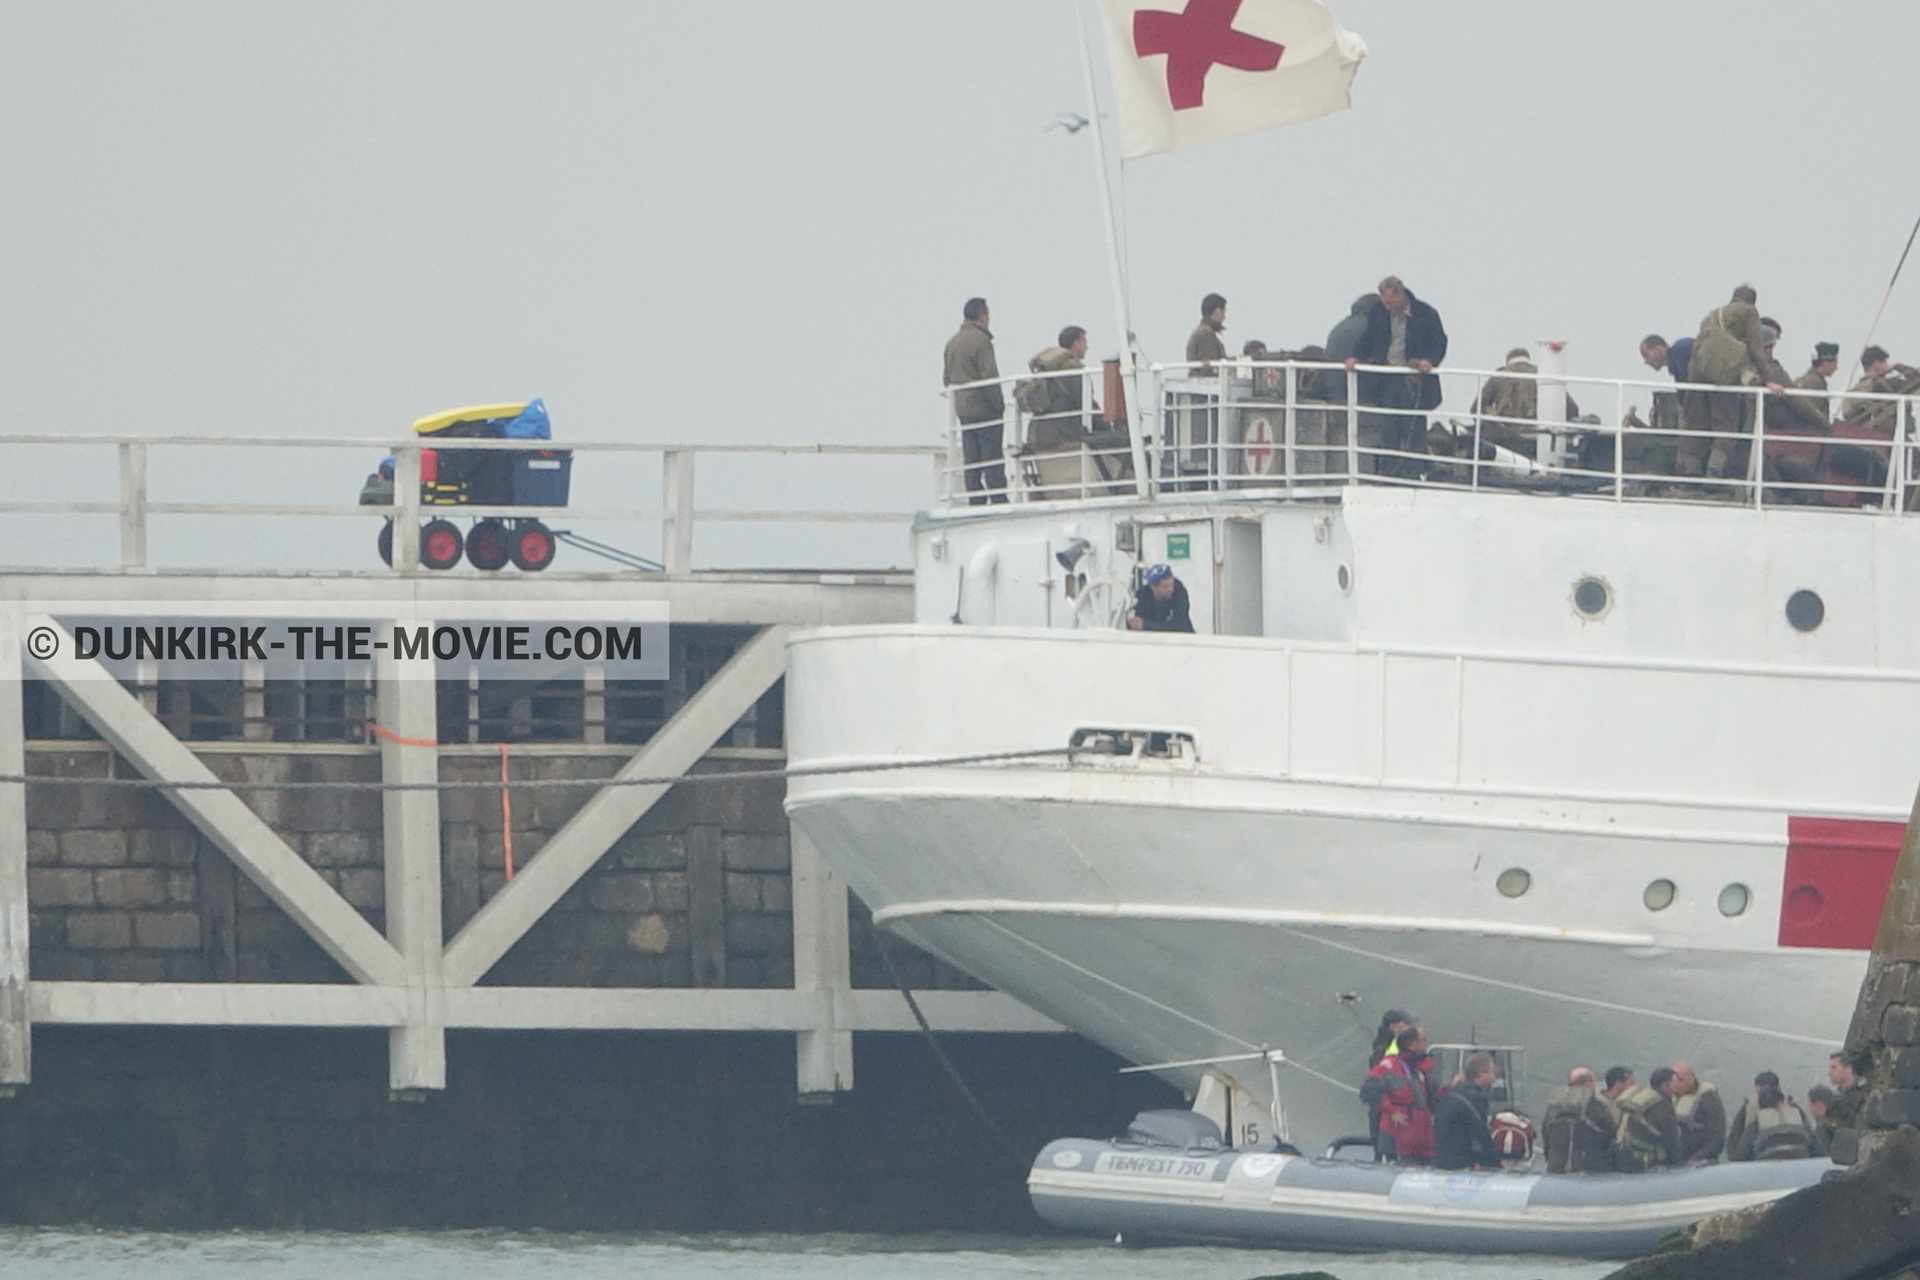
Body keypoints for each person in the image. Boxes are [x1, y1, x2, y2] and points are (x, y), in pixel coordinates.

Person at [1345, 276, 1448, 476]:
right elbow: (1368, 339)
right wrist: (1356, 357)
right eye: (1383, 301)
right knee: (1389, 428)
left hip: (1414, 381)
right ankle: (1389, 474)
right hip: (1388, 379)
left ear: (1400, 295)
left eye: (1390, 301)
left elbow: (1439, 343)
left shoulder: (1426, 314)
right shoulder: (1378, 312)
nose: (1386, 306)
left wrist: (1429, 361)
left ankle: (1414, 473)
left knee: (1414, 428)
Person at [1682, 285, 1770, 481]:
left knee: (1696, 421)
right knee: (1726, 424)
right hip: (1726, 373)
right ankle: (1713, 472)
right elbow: (1756, 349)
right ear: (1752, 301)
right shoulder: (1749, 311)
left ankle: (1691, 471)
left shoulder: (1711, 316)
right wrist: (1768, 379)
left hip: (1698, 371)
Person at [943, 297, 1005, 504]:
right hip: (985, 410)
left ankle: (975, 500)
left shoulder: (952, 343)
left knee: (972, 460)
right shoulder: (981, 341)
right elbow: (989, 377)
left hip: (964, 412)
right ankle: (998, 499)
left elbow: (947, 378)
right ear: (982, 316)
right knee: (992, 459)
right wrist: (999, 405)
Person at [1469, 347, 1582, 460]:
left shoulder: (1498, 377)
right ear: (1527, 360)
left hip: (1506, 439)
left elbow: (1476, 409)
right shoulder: (1543, 375)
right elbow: (1572, 410)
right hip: (1538, 438)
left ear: (1508, 361)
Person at [1020, 327, 1090, 498]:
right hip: (1061, 435)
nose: (1087, 347)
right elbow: (1085, 401)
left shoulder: (1047, 368)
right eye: (1084, 342)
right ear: (1075, 344)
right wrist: (1105, 425)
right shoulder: (1070, 367)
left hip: (1038, 435)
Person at [1362, 1025, 1439, 1163]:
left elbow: (1432, 1097)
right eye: (1423, 1040)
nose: (1426, 1044)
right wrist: (1392, 1111)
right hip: (1398, 1140)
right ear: (1412, 1044)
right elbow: (1368, 1091)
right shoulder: (1390, 1066)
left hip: (1421, 1141)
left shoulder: (1420, 1067)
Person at [1434, 1051, 1503, 1170]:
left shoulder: (1452, 1094)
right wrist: (1496, 1162)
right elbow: (1480, 1135)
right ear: (1482, 1073)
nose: (1494, 1078)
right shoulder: (1475, 1099)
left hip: (1442, 1160)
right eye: (1492, 1072)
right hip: (1461, 1163)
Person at [1543, 1067, 1617, 1173]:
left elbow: (1546, 1139)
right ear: (1589, 1083)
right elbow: (1611, 1135)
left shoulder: (1554, 1108)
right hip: (1591, 1171)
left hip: (1556, 1169)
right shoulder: (1597, 1107)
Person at [1613, 1066, 1684, 1172]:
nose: (1678, 1085)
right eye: (1675, 1082)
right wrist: (1680, 1167)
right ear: (1666, 1085)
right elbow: (1672, 1143)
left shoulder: (1640, 1099)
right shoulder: (1663, 1106)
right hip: (1646, 1165)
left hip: (1622, 1159)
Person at [1727, 1082, 1815, 1162]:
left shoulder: (1756, 1125)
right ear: (1782, 1102)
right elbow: (1819, 1150)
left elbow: (1739, 1157)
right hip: (1800, 1167)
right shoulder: (1799, 1119)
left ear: (1760, 1106)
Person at [1670, 1060, 1726, 1163]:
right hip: (1678, 1163)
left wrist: (1696, 1159)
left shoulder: (1707, 1098)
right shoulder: (1671, 1099)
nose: (1677, 1084)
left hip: (1701, 1164)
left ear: (1692, 1077)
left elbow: (1718, 1139)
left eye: (1681, 1080)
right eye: (1674, 1080)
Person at [1129, 563, 1193, 632]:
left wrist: (1146, 624)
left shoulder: (1179, 592)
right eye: (1165, 587)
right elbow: (1136, 620)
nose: (1170, 589)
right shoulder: (1143, 594)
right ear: (1152, 586)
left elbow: (1180, 625)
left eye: (1171, 585)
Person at [1187, 293, 1228, 370]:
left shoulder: (1202, 331)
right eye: (1223, 311)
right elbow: (1211, 367)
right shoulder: (1205, 334)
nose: (1224, 317)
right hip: (1206, 381)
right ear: (1217, 311)